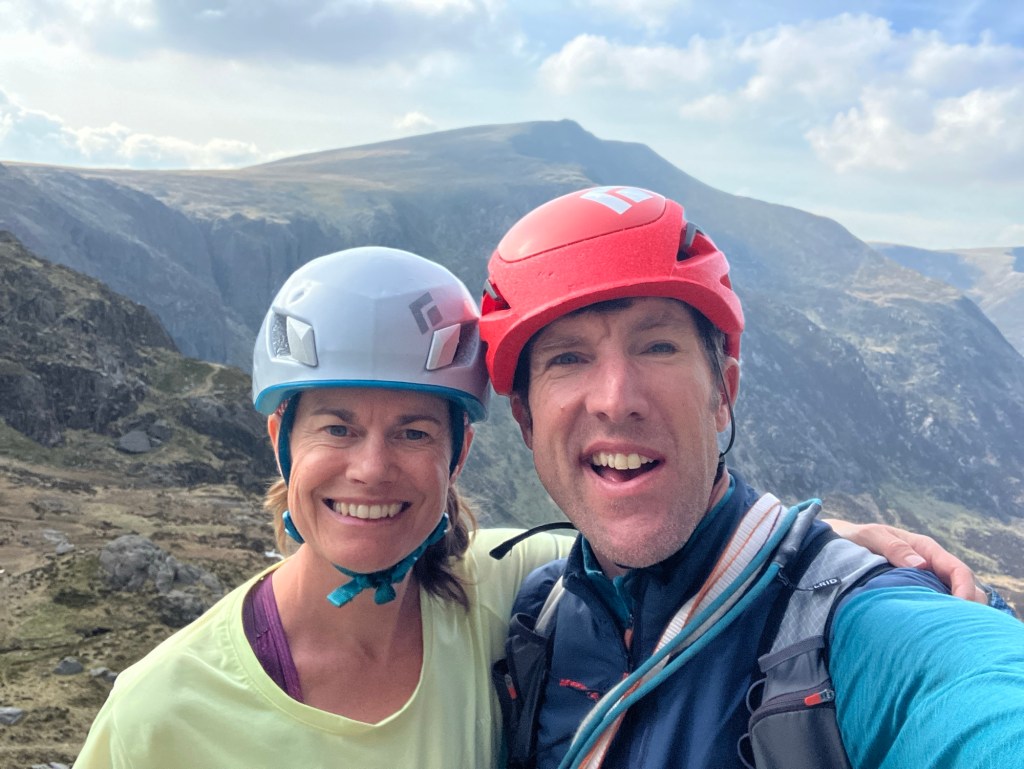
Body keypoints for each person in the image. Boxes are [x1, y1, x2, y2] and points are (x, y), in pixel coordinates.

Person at [74, 243, 1001, 769]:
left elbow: (656, 535)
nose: (372, 467)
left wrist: (825, 541)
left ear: (458, 453)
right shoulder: (160, 711)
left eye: (414, 431)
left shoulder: (496, 589)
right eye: (336, 427)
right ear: (282, 441)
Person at [478, 186, 1024, 769]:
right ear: (526, 421)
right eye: (567, 357)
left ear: (723, 393)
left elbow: (975, 691)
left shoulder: (851, 624)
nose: (616, 400)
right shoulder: (537, 613)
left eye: (657, 346)